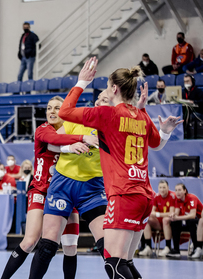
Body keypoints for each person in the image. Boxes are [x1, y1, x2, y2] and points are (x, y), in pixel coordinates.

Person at [56, 57, 182, 279]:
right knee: (125, 261)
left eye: (106, 88)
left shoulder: (107, 114)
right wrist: (164, 131)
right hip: (143, 196)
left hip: (124, 195)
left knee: (113, 263)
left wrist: (81, 82)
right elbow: (156, 144)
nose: (104, 92)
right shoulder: (141, 115)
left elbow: (64, 112)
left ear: (114, 88)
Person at [1, 96, 97, 279]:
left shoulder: (72, 128)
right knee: (30, 241)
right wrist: (81, 139)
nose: (51, 111)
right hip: (41, 190)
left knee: (70, 245)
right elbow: (54, 140)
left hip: (67, 191)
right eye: (49, 108)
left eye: (57, 108)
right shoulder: (43, 129)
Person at [138, 180, 176, 256]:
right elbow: (152, 212)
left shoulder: (172, 196)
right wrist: (158, 214)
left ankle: (168, 247)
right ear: (158, 188)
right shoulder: (156, 196)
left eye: (164, 187)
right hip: (158, 223)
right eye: (160, 187)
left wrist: (158, 214)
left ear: (168, 187)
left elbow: (170, 213)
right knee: (146, 219)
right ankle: (148, 247)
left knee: (165, 220)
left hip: (170, 223)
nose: (162, 189)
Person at [166, 183, 203, 258]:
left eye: (179, 190)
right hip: (187, 221)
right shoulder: (177, 199)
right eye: (176, 190)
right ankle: (176, 250)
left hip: (198, 220)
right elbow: (176, 212)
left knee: (191, 221)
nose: (177, 192)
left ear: (185, 191)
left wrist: (178, 218)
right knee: (174, 222)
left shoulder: (192, 198)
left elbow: (192, 215)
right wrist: (173, 215)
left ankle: (196, 248)